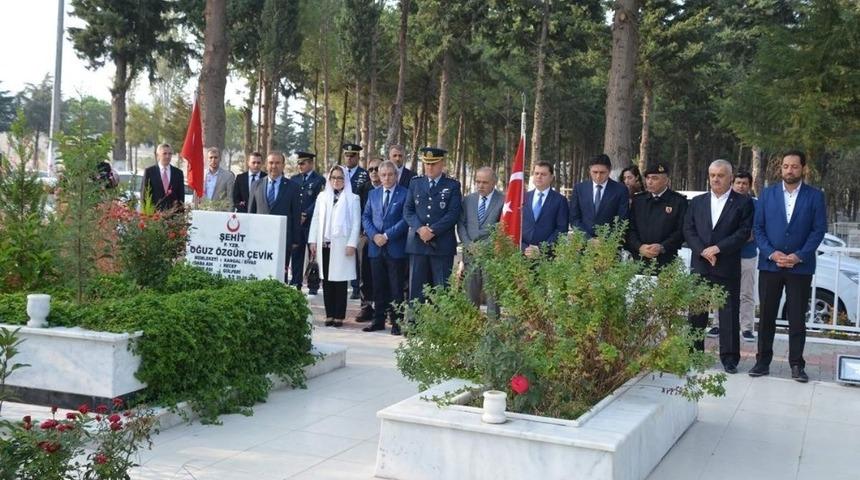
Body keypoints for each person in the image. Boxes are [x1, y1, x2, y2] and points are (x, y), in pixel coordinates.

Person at [749, 151, 826, 382]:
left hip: (799, 268)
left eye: (794, 166)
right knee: (767, 317)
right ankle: (762, 362)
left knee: (796, 318)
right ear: (780, 168)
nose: (789, 170)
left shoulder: (815, 196)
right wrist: (772, 253)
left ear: (803, 168)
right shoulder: (767, 194)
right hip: (770, 266)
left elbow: (818, 230)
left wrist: (799, 256)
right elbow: (758, 228)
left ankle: (797, 365)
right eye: (785, 166)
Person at [683, 159, 753, 374]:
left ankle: (729, 359)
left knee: (728, 313)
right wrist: (703, 251)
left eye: (720, 175)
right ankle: (694, 355)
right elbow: (688, 229)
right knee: (697, 312)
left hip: (726, 263)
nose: (715, 179)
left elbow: (743, 233)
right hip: (701, 263)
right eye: (712, 175)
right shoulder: (698, 202)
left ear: (730, 177)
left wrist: (718, 249)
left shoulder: (743, 203)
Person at [404, 147, 462, 303]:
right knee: (416, 291)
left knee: (441, 290)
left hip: (441, 245)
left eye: (433, 163)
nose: (429, 167)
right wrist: (420, 228)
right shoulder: (415, 183)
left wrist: (433, 230)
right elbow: (408, 210)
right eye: (427, 163)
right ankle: (414, 319)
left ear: (442, 163)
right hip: (417, 244)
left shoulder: (452, 185)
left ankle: (440, 319)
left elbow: (453, 213)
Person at [308, 165, 361, 327]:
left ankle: (339, 315)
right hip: (324, 244)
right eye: (333, 178)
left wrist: (352, 243)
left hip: (342, 245)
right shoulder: (322, 196)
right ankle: (329, 314)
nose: (336, 181)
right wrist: (312, 241)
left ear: (345, 180)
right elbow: (316, 219)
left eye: (340, 178)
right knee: (327, 280)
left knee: (340, 281)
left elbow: (356, 223)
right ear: (329, 179)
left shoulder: (353, 198)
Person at [361, 161, 409, 335]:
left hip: (395, 247)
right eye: (383, 175)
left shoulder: (405, 193)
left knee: (396, 288)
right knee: (378, 286)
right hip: (376, 247)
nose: (386, 178)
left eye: (390, 174)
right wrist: (374, 235)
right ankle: (378, 320)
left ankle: (397, 322)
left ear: (396, 175)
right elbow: (366, 217)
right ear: (379, 177)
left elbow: (405, 219)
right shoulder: (373, 194)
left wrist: (387, 236)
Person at [248, 151, 302, 279]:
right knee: (260, 274)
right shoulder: (256, 185)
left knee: (280, 275)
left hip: (283, 240)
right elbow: (251, 213)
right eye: (271, 163)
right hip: (260, 239)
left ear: (283, 165)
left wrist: (295, 240)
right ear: (266, 165)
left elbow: (296, 215)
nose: (274, 166)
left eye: (277, 163)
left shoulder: (293, 187)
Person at [457, 166, 504, 314]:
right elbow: (461, 225)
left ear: (494, 182)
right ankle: (471, 327)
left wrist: (484, 247)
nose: (480, 185)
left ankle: (493, 327)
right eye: (477, 181)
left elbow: (502, 229)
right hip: (470, 255)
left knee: (492, 299)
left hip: (491, 256)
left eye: (484, 182)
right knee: (470, 299)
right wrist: (469, 245)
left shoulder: (503, 201)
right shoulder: (468, 200)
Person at [625, 162, 688, 270]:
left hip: (666, 260)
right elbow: (630, 228)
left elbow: (681, 231)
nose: (649, 182)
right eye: (647, 178)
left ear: (666, 180)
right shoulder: (639, 201)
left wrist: (662, 247)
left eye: (655, 178)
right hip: (639, 259)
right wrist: (639, 247)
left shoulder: (678, 202)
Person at [289, 151, 325, 294]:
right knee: (296, 253)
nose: (300, 166)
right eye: (298, 163)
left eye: (303, 163)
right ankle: (296, 282)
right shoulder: (294, 179)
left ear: (310, 163)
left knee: (313, 254)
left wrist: (306, 214)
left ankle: (313, 285)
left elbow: (319, 200)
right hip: (297, 223)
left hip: (311, 222)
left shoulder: (319, 180)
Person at [569, 154, 629, 238]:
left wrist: (603, 240)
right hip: (583, 241)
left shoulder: (620, 190)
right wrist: (588, 239)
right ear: (589, 170)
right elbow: (574, 219)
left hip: (609, 242)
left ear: (609, 170)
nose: (598, 176)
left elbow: (622, 219)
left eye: (602, 172)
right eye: (595, 172)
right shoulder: (579, 189)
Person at [354, 158, 383, 322]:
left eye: (376, 169)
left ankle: (384, 307)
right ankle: (366, 306)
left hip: (386, 236)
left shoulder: (390, 187)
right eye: (370, 169)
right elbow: (358, 214)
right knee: (364, 272)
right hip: (366, 235)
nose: (373, 172)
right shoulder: (362, 189)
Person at [522, 161, 569, 257]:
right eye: (536, 173)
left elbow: (561, 229)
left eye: (543, 174)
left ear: (551, 177)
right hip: (522, 253)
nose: (539, 176)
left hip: (546, 256)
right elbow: (517, 224)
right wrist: (524, 248)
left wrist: (542, 248)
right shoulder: (523, 197)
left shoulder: (560, 200)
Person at [733, 171, 758, 341]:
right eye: (738, 183)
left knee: (746, 293)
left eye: (744, 183)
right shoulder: (726, 202)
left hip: (747, 255)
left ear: (749, 186)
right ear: (732, 183)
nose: (741, 186)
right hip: (726, 255)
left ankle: (747, 328)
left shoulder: (756, 205)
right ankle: (718, 324)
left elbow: (756, 230)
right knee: (723, 292)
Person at [342, 143, 370, 299]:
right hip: (340, 220)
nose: (349, 158)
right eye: (347, 155)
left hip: (356, 219)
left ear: (358, 157)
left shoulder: (364, 175)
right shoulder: (339, 172)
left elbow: (365, 200)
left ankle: (356, 287)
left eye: (352, 156)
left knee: (356, 255)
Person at [141, 143, 185, 211]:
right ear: (158, 155)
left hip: (173, 215)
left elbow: (181, 197)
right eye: (164, 153)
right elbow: (144, 195)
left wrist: (181, 214)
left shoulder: (178, 173)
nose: (167, 156)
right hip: (154, 215)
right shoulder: (149, 172)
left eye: (170, 154)